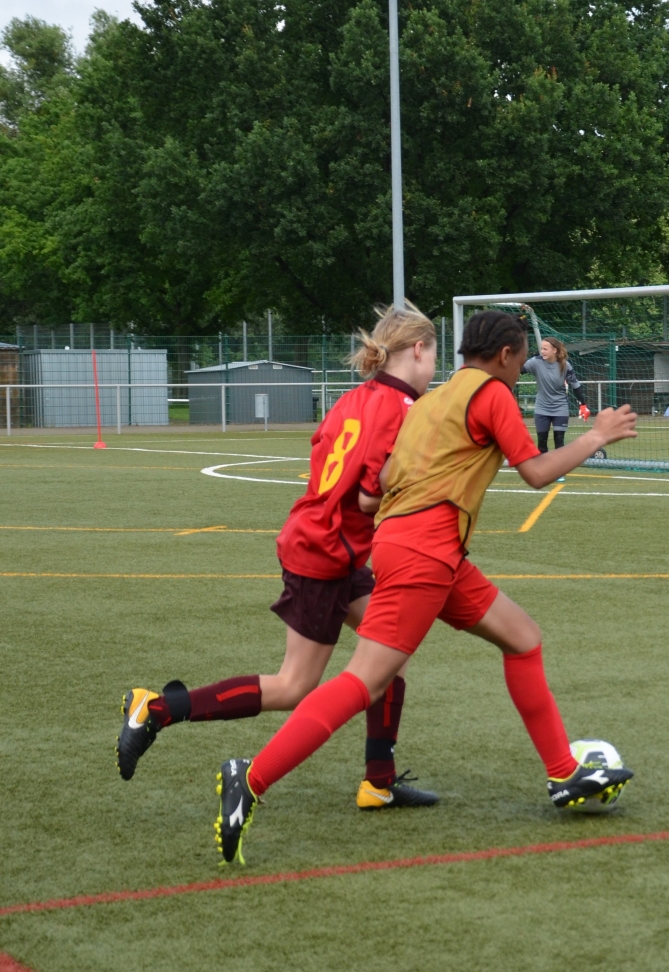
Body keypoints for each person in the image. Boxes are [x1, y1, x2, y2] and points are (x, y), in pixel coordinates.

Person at [213, 310, 638, 865]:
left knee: (522, 637)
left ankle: (563, 773)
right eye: (519, 362)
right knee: (363, 681)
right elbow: (535, 472)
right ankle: (250, 778)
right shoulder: (491, 393)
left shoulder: (434, 399)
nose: (521, 373)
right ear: (506, 356)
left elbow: (385, 480)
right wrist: (597, 436)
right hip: (426, 553)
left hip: (413, 544)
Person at [116, 304, 440, 812]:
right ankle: (157, 709)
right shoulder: (401, 409)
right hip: (325, 552)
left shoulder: (354, 397)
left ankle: (378, 782)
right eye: (435, 357)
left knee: (389, 656)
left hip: (327, 543)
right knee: (294, 685)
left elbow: (327, 459)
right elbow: (368, 499)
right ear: (418, 350)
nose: (435, 370)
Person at [521, 336, 590, 456]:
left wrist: (583, 405)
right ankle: (544, 468)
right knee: (542, 443)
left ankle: (560, 468)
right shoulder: (535, 362)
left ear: (554, 350)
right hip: (542, 408)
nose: (542, 351)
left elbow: (575, 386)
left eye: (545, 349)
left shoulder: (565, 365)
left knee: (559, 443)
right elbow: (520, 370)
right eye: (541, 349)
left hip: (560, 408)